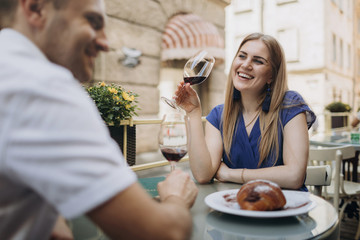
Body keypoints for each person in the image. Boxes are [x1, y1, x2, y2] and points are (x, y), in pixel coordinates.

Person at [0, 0, 198, 239]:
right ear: (35, 8)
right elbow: (167, 233)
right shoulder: (43, 85)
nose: (106, 43)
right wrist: (176, 197)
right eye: (93, 21)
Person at [175, 33, 316, 191]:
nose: (246, 64)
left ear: (271, 75)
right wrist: (193, 113)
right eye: (242, 56)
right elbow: (202, 175)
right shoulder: (218, 115)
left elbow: (294, 176)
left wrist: (230, 174)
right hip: (235, 207)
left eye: (258, 61)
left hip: (285, 208)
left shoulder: (290, 105)